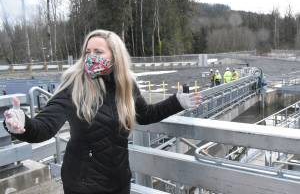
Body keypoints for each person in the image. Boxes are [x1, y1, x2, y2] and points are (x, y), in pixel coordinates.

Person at [2, 29, 201, 194]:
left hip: (119, 180)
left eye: (98, 52)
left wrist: (177, 102)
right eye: (87, 52)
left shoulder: (126, 85)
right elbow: (44, 126)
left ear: (115, 57)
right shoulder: (74, 86)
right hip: (83, 184)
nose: (91, 57)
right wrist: (23, 124)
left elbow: (145, 114)